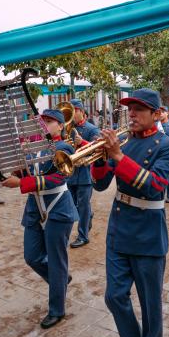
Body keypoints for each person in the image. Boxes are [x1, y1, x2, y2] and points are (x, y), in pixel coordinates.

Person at [91, 88, 169, 337]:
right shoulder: (125, 143)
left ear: (155, 114)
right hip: (119, 230)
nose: (132, 114)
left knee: (151, 305)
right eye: (130, 109)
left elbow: (155, 186)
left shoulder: (168, 146)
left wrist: (117, 157)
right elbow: (100, 184)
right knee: (114, 296)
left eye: (139, 109)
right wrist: (99, 158)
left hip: (148, 234)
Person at [2, 109, 78, 329]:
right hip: (35, 207)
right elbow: (27, 171)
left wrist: (22, 184)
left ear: (60, 126)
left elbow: (57, 177)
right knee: (32, 256)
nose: (44, 124)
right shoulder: (34, 147)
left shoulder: (63, 147)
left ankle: (57, 309)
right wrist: (15, 171)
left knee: (56, 260)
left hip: (58, 207)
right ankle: (60, 279)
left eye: (49, 121)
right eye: (42, 121)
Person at [68, 99, 100, 248]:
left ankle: (83, 236)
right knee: (72, 205)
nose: (72, 115)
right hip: (70, 172)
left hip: (85, 173)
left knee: (82, 205)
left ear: (81, 111)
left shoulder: (92, 129)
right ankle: (89, 215)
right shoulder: (67, 128)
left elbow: (98, 148)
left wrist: (83, 142)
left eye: (74, 111)